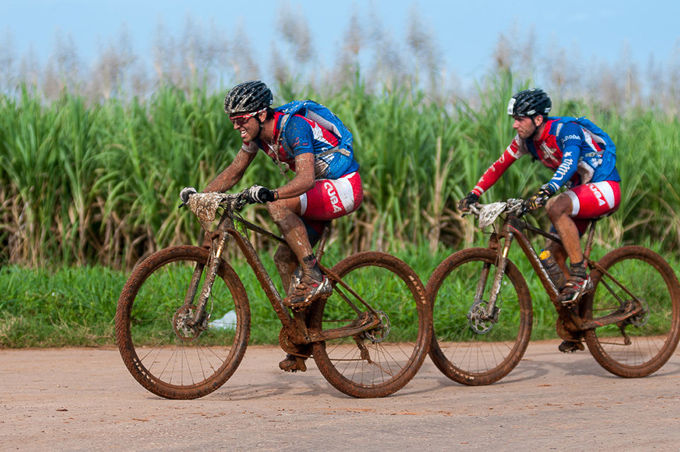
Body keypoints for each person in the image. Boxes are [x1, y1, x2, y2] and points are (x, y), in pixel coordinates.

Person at [201, 80, 363, 370]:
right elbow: (234, 171)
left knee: (277, 205)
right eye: (232, 121)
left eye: (241, 120)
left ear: (261, 114)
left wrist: (271, 194)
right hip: (320, 192)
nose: (237, 127)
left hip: (344, 186)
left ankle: (313, 275)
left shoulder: (294, 127)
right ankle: (301, 338)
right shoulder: (257, 138)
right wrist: (203, 196)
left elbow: (305, 179)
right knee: (284, 257)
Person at [458, 88, 621, 353]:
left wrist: (547, 190)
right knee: (549, 256)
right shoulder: (525, 141)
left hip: (604, 187)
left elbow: (568, 164)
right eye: (514, 118)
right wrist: (474, 194)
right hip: (577, 194)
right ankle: (577, 319)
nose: (515, 124)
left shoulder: (566, 130)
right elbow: (499, 165)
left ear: (537, 119)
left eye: (520, 118)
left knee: (555, 206)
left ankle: (579, 275)